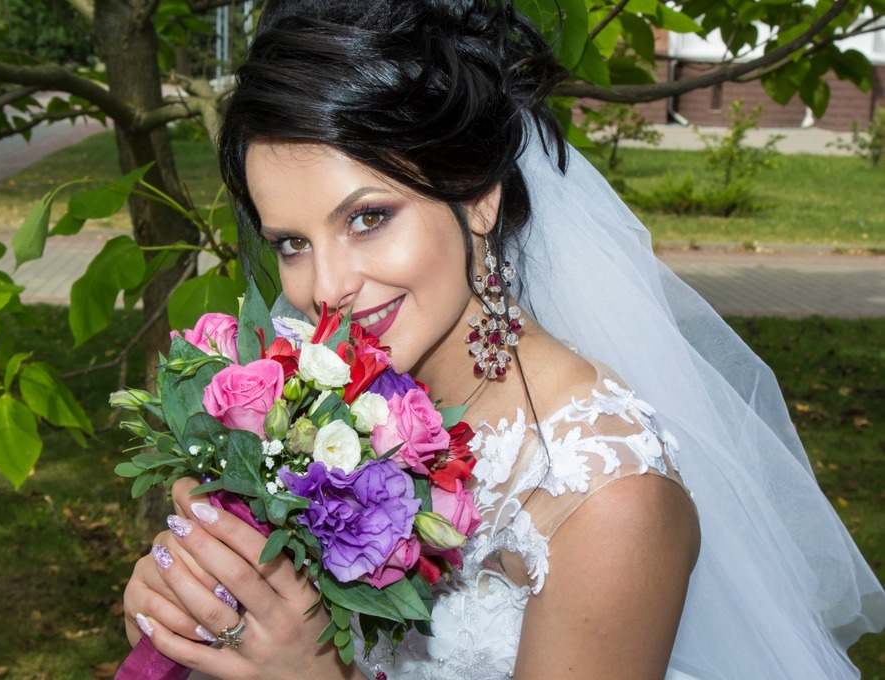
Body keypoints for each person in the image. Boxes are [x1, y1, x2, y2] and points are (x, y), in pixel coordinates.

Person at [123, 1, 885, 678]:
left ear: (478, 195)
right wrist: (195, 624)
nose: (326, 288)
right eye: (291, 242)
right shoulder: (323, 407)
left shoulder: (605, 498)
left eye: (367, 218)